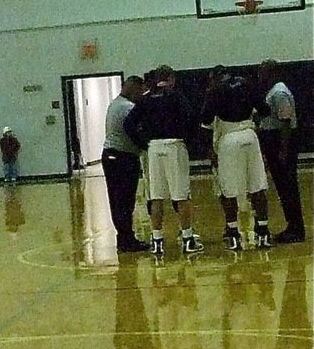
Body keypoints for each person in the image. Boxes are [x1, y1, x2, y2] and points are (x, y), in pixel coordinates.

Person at [123, 65, 203, 256]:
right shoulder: (175, 96)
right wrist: (189, 138)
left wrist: (143, 142)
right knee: (181, 195)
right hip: (174, 146)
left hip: (154, 148)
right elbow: (192, 117)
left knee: (156, 196)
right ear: (171, 78)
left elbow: (129, 123)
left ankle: (157, 240)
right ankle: (187, 238)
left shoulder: (146, 98)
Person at [201, 68, 271, 250]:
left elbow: (205, 120)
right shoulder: (247, 83)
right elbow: (265, 109)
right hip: (250, 135)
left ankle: (233, 233)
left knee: (229, 190)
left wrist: (209, 149)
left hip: (229, 139)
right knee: (257, 187)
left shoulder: (215, 90)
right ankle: (263, 232)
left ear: (215, 78)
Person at [256, 59, 305, 243]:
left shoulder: (279, 92)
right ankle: (292, 226)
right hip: (275, 141)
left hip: (281, 141)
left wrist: (283, 150)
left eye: (263, 72)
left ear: (272, 73)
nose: (260, 76)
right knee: (284, 188)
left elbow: (285, 121)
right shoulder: (273, 91)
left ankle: (296, 228)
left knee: (288, 187)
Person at [100, 75, 149, 253]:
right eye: (140, 90)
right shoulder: (127, 107)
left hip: (112, 156)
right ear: (134, 87)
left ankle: (124, 237)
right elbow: (135, 129)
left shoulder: (115, 103)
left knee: (118, 200)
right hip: (122, 157)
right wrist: (145, 145)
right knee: (124, 200)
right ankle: (126, 238)